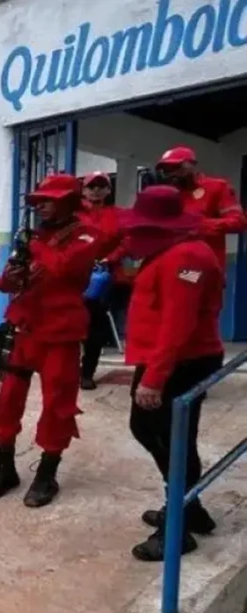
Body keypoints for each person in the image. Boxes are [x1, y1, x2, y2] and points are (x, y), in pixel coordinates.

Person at [0, 174, 100, 508]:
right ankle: (4, 466)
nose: (41, 206)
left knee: (58, 404)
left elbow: (62, 267)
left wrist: (32, 247)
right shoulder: (33, 237)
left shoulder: (87, 234)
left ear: (67, 202)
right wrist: (12, 275)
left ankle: (47, 473)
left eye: (48, 200)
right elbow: (4, 284)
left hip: (61, 334)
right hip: (23, 330)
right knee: (6, 399)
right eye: (38, 201)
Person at [119, 185, 224, 562]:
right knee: (167, 435)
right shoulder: (170, 252)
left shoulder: (187, 257)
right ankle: (188, 507)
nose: (134, 235)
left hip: (180, 361)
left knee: (167, 436)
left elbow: (178, 325)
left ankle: (177, 527)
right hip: (166, 358)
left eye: (141, 228)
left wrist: (154, 378)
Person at [152, 146, 246, 278]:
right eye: (167, 170)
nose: (172, 174)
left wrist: (199, 225)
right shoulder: (169, 195)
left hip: (206, 269)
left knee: (193, 286)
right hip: (176, 267)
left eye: (176, 167)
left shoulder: (217, 187)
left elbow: (239, 222)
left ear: (191, 165)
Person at [77, 171, 124, 390]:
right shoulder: (73, 214)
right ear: (83, 190)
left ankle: (87, 372)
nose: (96, 190)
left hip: (103, 278)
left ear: (108, 190)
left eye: (101, 186)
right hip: (73, 275)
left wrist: (110, 258)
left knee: (95, 325)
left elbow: (127, 241)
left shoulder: (118, 215)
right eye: (91, 186)